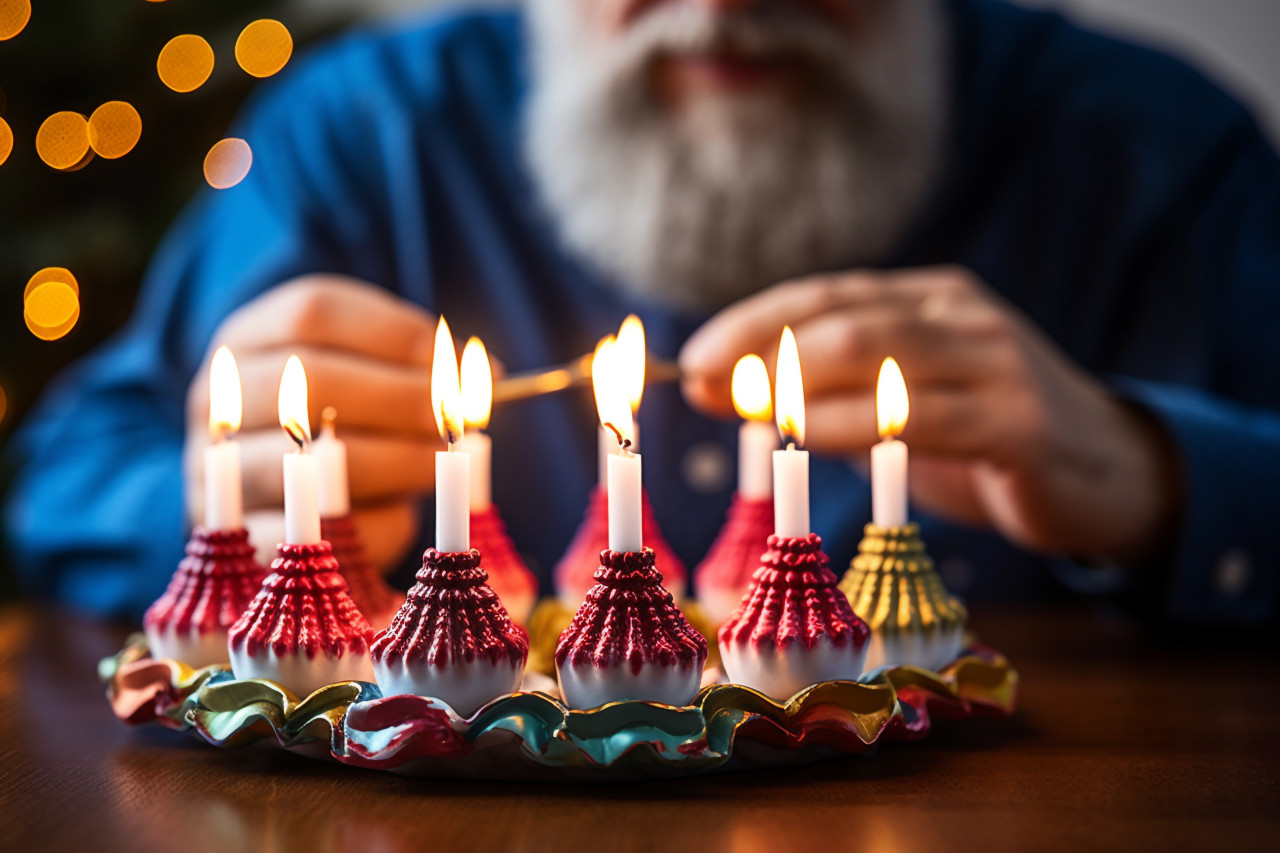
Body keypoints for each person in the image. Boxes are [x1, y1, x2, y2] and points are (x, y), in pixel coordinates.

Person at [6, 0, 1279, 625]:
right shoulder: (360, 137)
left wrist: (1153, 473)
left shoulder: (1153, 156)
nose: (718, 4)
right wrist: (224, 504)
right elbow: (61, 476)